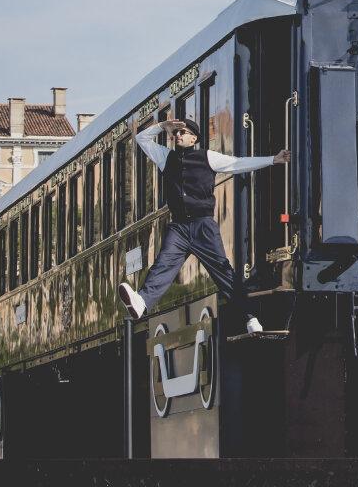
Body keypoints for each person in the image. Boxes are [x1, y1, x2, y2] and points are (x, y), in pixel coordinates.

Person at [119, 117, 291, 334]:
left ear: (194, 138)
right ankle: (142, 302)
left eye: (183, 133)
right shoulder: (166, 157)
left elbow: (237, 164)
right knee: (162, 265)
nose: (178, 136)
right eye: (177, 133)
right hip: (179, 227)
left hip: (203, 226)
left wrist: (272, 160)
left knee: (223, 271)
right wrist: (163, 126)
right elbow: (141, 139)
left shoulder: (207, 157)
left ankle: (251, 318)